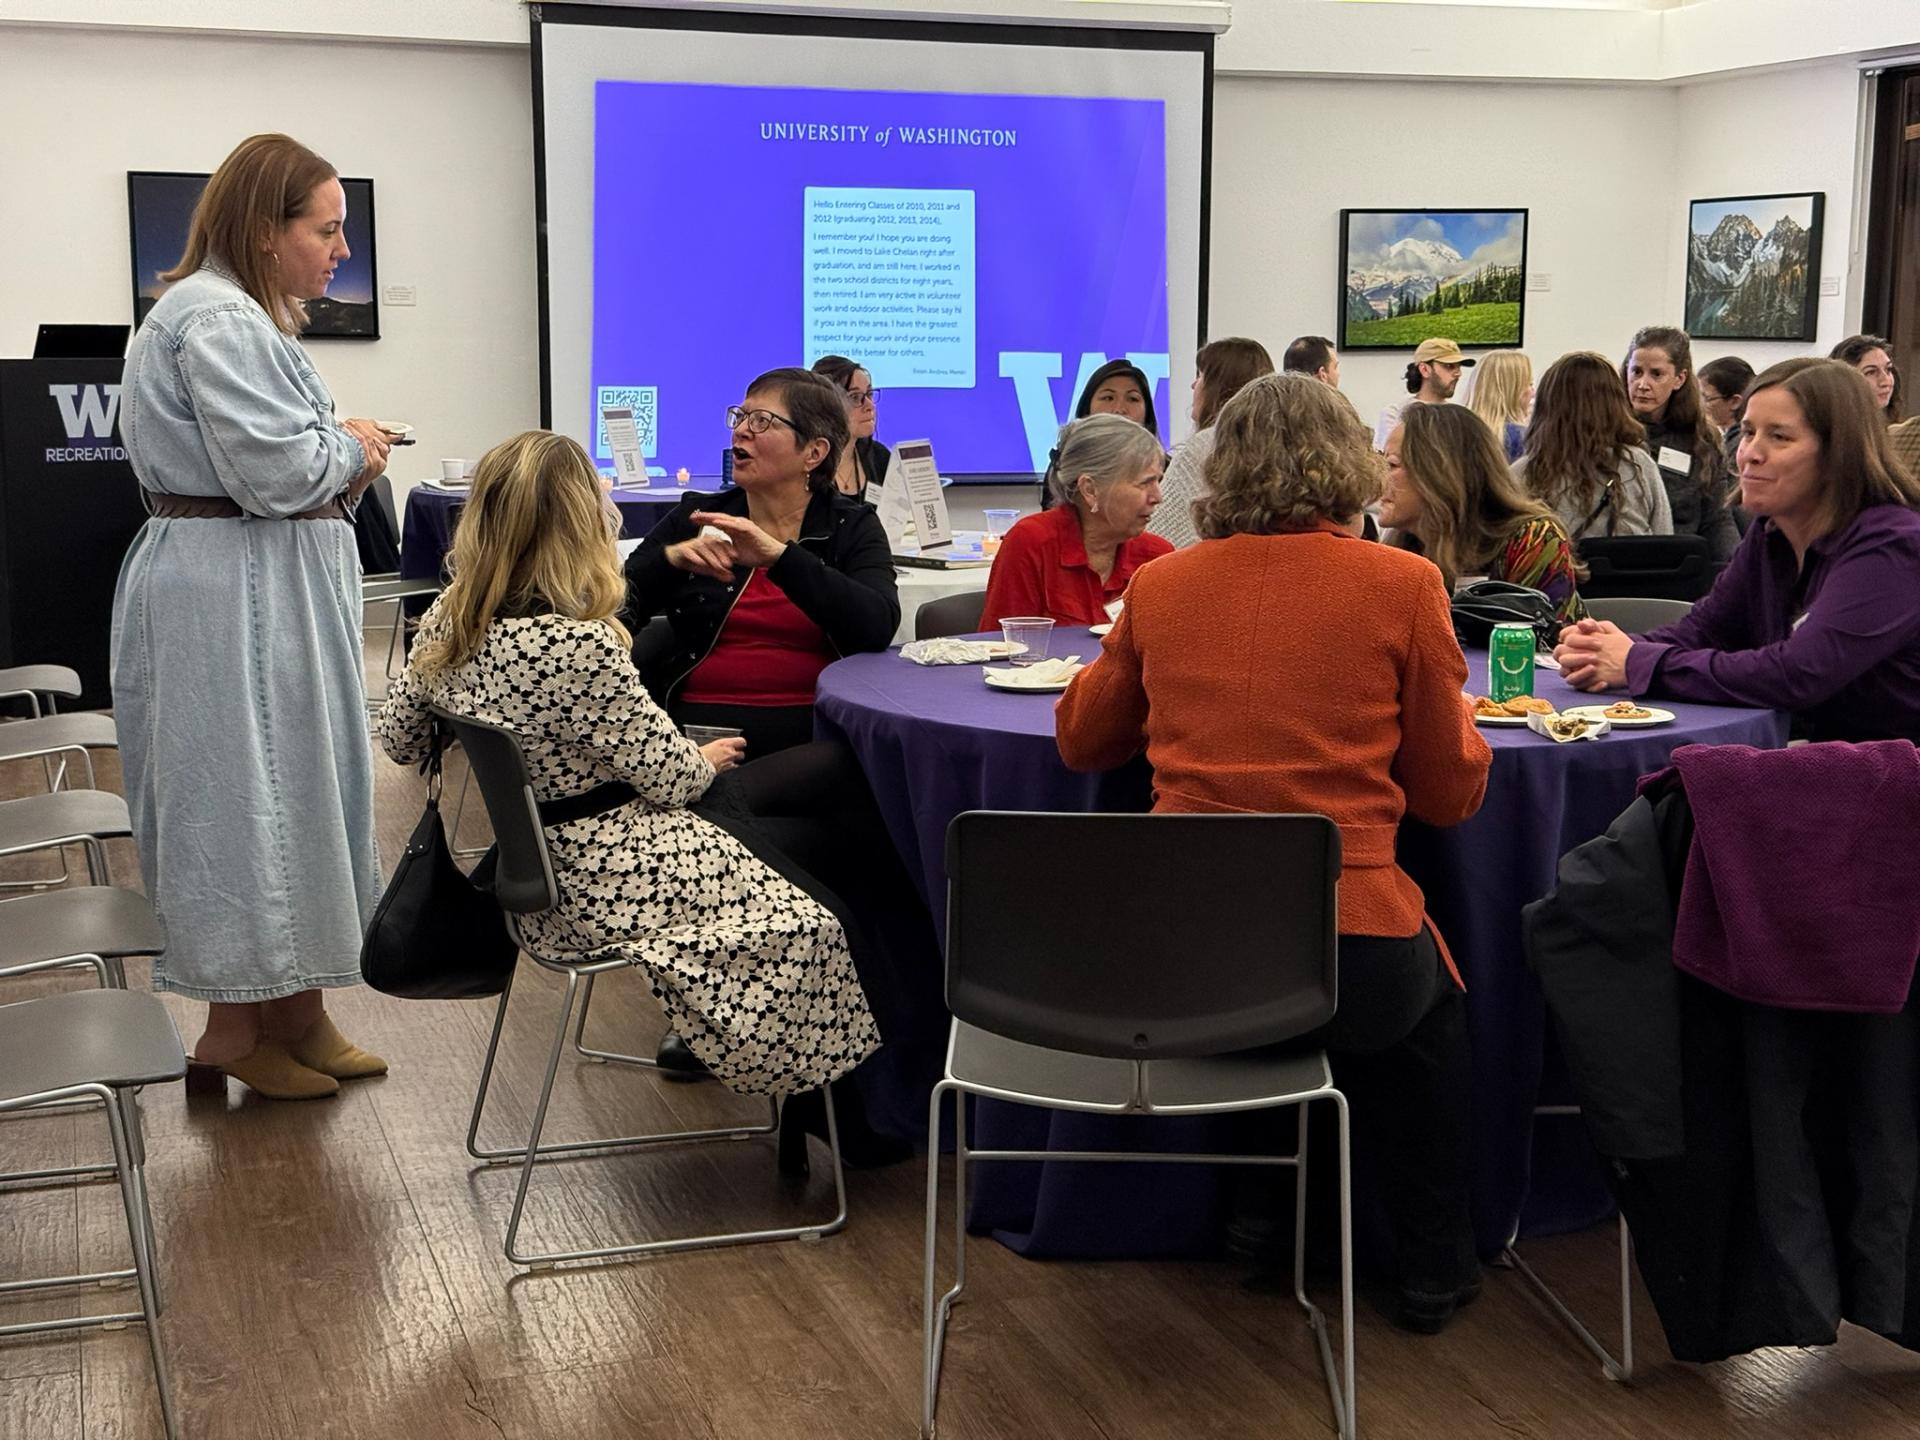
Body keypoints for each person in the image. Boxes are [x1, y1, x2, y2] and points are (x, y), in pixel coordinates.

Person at [1053, 372, 1491, 1333]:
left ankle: (1260, 1223)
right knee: (1433, 1021)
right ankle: (1430, 1268)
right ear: (1345, 464)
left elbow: (1083, 742)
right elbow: (1452, 797)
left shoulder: (1160, 586)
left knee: (1264, 986)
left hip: (1182, 956)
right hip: (1349, 947)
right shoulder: (1404, 585)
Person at [376, 432, 880, 1132]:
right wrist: (700, 757)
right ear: (580, 520)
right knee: (822, 915)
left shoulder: (451, 617)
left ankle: (818, 1108)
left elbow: (399, 741)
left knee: (799, 832)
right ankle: (845, 1125)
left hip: (528, 866)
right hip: (609, 872)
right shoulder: (576, 642)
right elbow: (671, 780)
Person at [110, 133, 391, 1101]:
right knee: (240, 798)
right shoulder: (216, 322)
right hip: (234, 593)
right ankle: (231, 1034)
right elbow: (276, 472)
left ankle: (298, 1008)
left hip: (260, 586)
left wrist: (336, 446)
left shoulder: (231, 316)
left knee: (296, 788)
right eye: (326, 228)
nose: (340, 249)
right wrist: (351, 447)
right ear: (265, 232)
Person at [1557, 357, 1920, 743]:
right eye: (1748, 433)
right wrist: (1609, 648)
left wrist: (1637, 662)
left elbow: (1799, 674)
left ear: (1838, 454)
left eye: (1779, 437)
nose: (1749, 453)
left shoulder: (1893, 544)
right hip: (1815, 760)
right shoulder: (1772, 533)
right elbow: (1707, 630)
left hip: (1890, 783)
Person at [622, 367, 898, 757]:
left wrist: (779, 557)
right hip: (693, 731)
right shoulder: (699, 518)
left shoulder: (849, 526)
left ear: (814, 453)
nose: (741, 431)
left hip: (812, 733)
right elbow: (613, 612)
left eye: (763, 421)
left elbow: (876, 626)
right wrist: (669, 561)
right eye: (741, 416)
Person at [1382, 403, 1587, 623]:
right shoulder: (1400, 550)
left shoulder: (1532, 541)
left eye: (1392, 465)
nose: (1379, 475)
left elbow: (1543, 647)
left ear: (1438, 474)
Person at [980, 413, 1172, 628]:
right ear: (1090, 489)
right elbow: (1002, 648)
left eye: (1158, 481)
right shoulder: (1032, 543)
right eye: (1144, 483)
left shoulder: (1157, 556)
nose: (1158, 497)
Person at [1513, 351, 1674, 540]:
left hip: (1558, 570)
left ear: (1546, 406)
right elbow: (1663, 537)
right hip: (1631, 568)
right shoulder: (1639, 465)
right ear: (1615, 404)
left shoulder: (1522, 473)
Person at [1623, 326, 1739, 562]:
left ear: (1679, 379)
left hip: (1681, 566)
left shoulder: (1702, 438)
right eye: (1636, 372)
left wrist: (1737, 570)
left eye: (1656, 374)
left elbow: (1716, 519)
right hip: (1618, 562)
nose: (1643, 384)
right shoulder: (1608, 431)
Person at [1149, 336, 1274, 548]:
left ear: (1219, 386)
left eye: (1200, 375)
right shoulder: (1279, 445)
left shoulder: (1204, 447)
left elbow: (1160, 536)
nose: (1193, 385)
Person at [811, 354, 891, 499]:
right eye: (855, 397)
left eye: (869, 394)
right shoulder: (808, 464)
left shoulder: (880, 457)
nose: (870, 406)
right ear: (827, 405)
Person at [1373, 337, 1473, 449]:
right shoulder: (1395, 414)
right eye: (1449, 366)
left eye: (1459, 367)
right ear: (1424, 369)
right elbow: (1389, 459)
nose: (1458, 374)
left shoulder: (1460, 416)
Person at [1699, 354, 1756, 487]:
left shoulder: (1739, 446)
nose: (1699, 406)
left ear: (1735, 402)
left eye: (1706, 399)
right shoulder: (1725, 438)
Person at [1465, 349, 1533, 461]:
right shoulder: (1521, 437)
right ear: (1512, 390)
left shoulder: (1455, 432)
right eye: (1529, 384)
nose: (1532, 392)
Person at [1830, 333, 1904, 424]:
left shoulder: (1899, 432)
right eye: (1871, 372)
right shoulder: (1824, 432)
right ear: (1844, 380)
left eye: (1888, 369)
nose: (1886, 381)